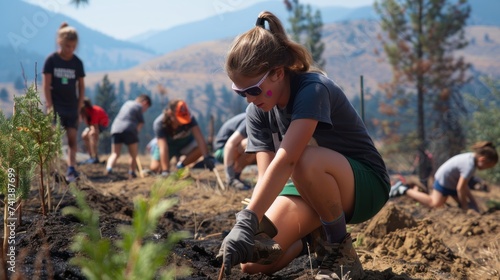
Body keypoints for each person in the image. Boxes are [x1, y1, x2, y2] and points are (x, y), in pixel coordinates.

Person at [217, 11, 390, 279]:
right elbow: (267, 175)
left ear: (277, 72)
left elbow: (287, 160)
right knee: (254, 263)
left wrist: (247, 218)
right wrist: (255, 230)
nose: (249, 100)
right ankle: (308, 239)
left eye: (253, 90)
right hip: (306, 187)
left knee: (304, 159)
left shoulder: (312, 89)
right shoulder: (257, 111)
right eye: (240, 92)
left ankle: (339, 251)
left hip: (363, 185)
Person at [390, 141, 498, 212]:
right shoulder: (469, 165)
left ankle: (413, 190)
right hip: (444, 182)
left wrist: (473, 204)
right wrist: (465, 207)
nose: (487, 169)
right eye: (488, 166)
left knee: (467, 205)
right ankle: (404, 189)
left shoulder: (471, 159)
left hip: (451, 183)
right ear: (482, 160)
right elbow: (461, 188)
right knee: (434, 203)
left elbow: (464, 187)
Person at [43, 22, 86, 182]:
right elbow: (46, 85)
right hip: (56, 107)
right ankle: (52, 170)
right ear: (60, 43)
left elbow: (81, 87)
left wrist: (79, 107)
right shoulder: (51, 60)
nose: (71, 50)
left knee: (72, 139)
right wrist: (49, 106)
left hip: (72, 107)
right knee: (54, 141)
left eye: (74, 46)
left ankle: (71, 168)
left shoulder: (77, 63)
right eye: (68, 46)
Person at [152, 99, 214, 176]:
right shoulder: (159, 123)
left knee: (202, 148)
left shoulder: (190, 118)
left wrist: (206, 157)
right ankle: (166, 169)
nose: (182, 122)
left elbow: (200, 139)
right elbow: (163, 148)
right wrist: (165, 171)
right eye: (179, 119)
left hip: (185, 144)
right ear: (170, 114)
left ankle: (180, 166)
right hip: (168, 147)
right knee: (155, 168)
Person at [105, 94, 151, 179]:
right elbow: (141, 122)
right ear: (145, 103)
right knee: (133, 154)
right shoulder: (138, 106)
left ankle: (109, 169)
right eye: (146, 108)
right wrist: (136, 132)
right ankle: (131, 172)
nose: (145, 110)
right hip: (129, 129)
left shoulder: (127, 103)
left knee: (115, 153)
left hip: (116, 128)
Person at [213, 112, 255, 190]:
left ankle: (236, 176)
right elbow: (229, 145)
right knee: (253, 143)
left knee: (259, 144)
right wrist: (229, 177)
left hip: (234, 150)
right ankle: (232, 179)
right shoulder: (252, 118)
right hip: (222, 150)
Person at [80, 97, 109, 164]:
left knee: (92, 134)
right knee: (84, 135)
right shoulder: (85, 114)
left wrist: (94, 133)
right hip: (93, 126)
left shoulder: (94, 111)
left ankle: (95, 157)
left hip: (102, 125)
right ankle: (91, 157)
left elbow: (95, 127)